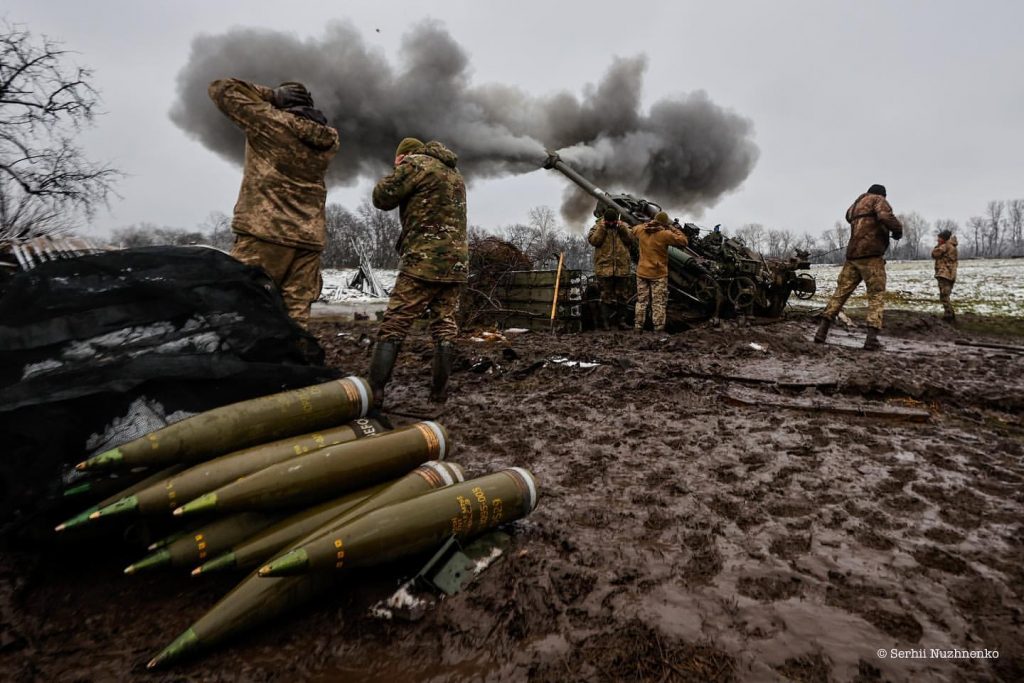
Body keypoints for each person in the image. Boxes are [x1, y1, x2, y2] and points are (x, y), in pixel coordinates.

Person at [208, 78, 339, 328]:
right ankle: (295, 363)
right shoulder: (329, 141)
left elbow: (221, 88)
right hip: (309, 238)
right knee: (296, 316)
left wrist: (269, 95)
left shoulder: (271, 123)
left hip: (266, 233)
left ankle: (251, 365)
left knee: (245, 306)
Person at [368, 137, 468, 405]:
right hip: (455, 264)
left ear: (404, 155)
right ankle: (439, 393)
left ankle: (374, 392)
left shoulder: (415, 164)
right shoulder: (454, 173)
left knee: (395, 323)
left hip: (423, 261)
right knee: (444, 328)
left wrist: (402, 166)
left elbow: (381, 197)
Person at [815, 184, 903, 350]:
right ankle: (871, 339)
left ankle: (821, 332)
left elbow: (848, 217)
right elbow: (885, 216)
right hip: (871, 256)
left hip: (853, 256)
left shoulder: (855, 205)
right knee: (876, 295)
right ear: (882, 195)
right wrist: (898, 229)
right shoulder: (879, 200)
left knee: (840, 293)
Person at [630, 211, 688, 332]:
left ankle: (638, 327)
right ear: (665, 223)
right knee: (658, 302)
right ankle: (658, 328)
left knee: (641, 301)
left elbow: (632, 230)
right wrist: (673, 228)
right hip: (658, 274)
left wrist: (646, 224)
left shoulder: (641, 230)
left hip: (642, 272)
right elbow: (684, 241)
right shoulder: (665, 234)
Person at [587, 207, 635, 330]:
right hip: (604, 269)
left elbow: (631, 239)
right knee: (605, 298)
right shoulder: (598, 227)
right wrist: (602, 228)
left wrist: (621, 228)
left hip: (621, 268)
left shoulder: (624, 226)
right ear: (605, 220)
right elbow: (594, 241)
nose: (611, 224)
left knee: (622, 297)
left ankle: (621, 322)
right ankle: (606, 323)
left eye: (613, 221)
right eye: (609, 222)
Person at [931, 229, 959, 321]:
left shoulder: (945, 246)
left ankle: (949, 315)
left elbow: (934, 254)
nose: (938, 240)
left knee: (944, 295)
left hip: (944, 273)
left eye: (939, 238)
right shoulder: (952, 246)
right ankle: (950, 314)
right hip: (950, 273)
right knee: (946, 294)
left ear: (944, 239)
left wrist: (937, 246)